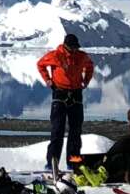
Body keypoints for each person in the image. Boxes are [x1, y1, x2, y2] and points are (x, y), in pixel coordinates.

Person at [36, 34, 94, 174]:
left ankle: (73, 163)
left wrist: (86, 80)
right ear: (66, 46)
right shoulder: (55, 55)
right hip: (59, 93)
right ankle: (51, 163)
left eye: (76, 48)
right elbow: (40, 64)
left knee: (75, 131)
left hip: (76, 95)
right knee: (57, 130)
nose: (74, 50)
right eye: (72, 48)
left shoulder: (82, 56)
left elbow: (90, 66)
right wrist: (48, 80)